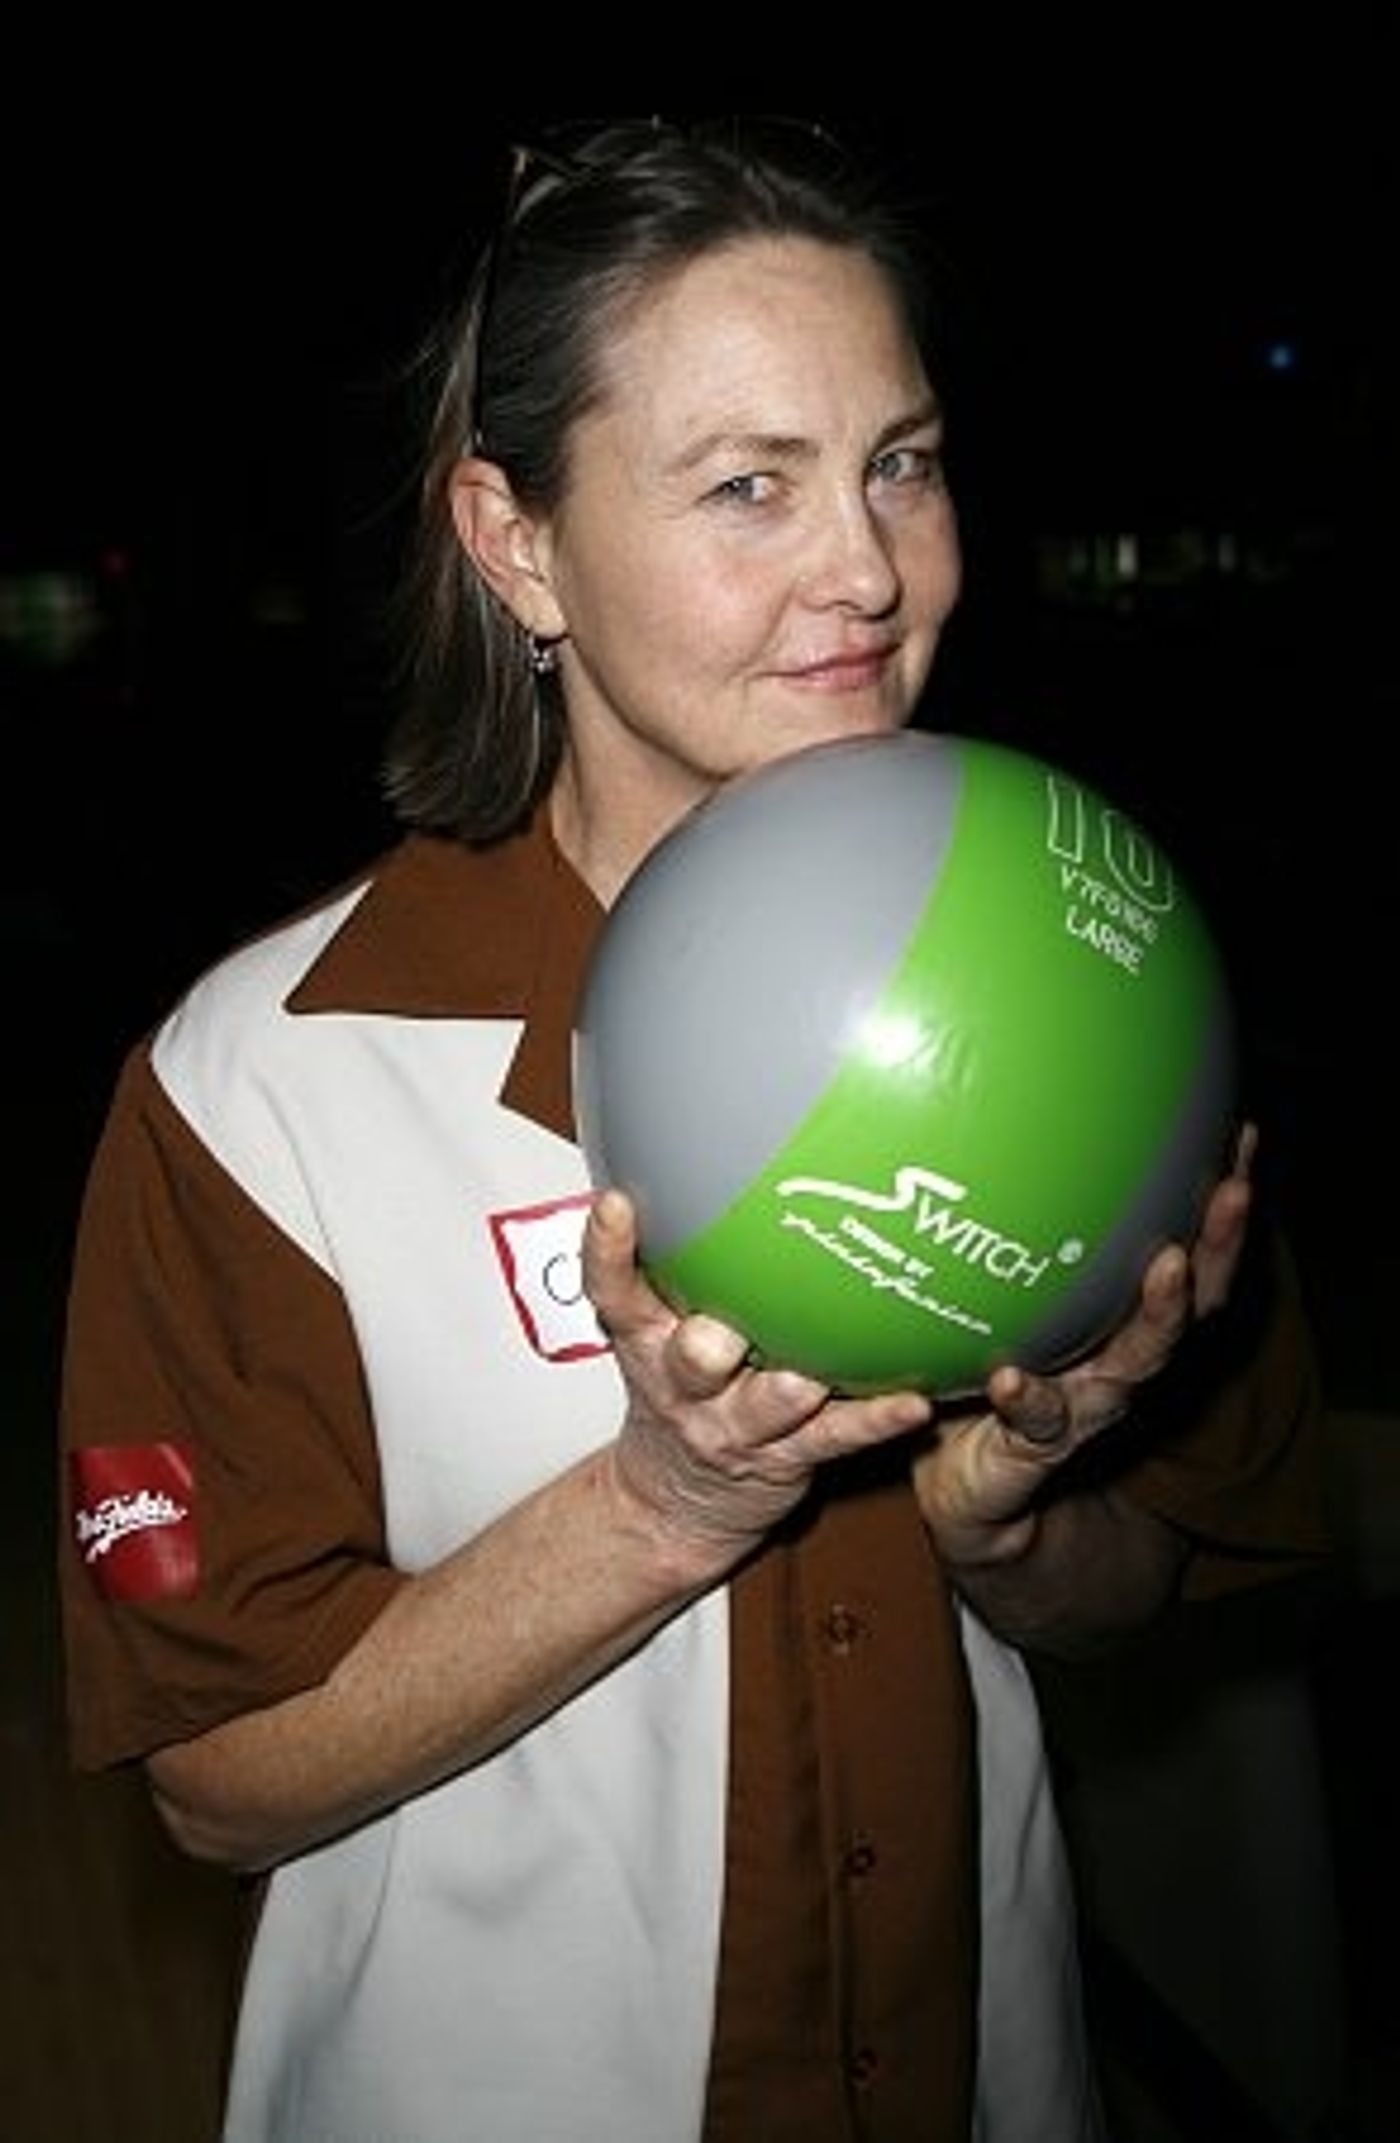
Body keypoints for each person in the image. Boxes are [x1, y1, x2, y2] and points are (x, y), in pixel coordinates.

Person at [58, 115, 1330, 2143]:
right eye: (750, 484)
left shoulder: (1097, 993)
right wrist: (659, 1505)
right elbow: (213, 1778)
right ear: (517, 540)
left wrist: (1018, 1522)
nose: (867, 569)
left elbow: (1143, 1590)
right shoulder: (267, 1083)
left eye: (899, 463)